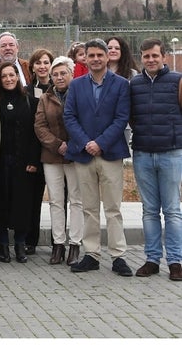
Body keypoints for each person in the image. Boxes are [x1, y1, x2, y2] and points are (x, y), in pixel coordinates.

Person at [64, 38, 133, 276]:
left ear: (106, 57)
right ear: (85, 58)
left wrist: (101, 143)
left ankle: (118, 256)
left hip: (110, 153)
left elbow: (121, 118)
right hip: (83, 154)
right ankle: (91, 254)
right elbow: (70, 117)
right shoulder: (76, 85)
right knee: (89, 208)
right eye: (90, 55)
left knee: (113, 208)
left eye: (99, 55)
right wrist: (86, 143)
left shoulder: (122, 84)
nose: (94, 59)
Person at [129, 38, 182, 281]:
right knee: (149, 210)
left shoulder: (177, 81)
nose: (150, 60)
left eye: (154, 56)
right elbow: (130, 116)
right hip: (142, 153)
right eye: (146, 56)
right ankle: (151, 259)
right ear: (141, 58)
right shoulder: (134, 84)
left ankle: (175, 261)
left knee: (172, 211)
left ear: (163, 56)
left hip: (170, 153)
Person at [0, 62, 40, 263]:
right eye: (4, 76)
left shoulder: (30, 102)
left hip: (23, 162)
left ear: (18, 77)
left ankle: (20, 244)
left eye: (12, 75)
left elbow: (36, 134)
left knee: (22, 203)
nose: (9, 79)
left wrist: (33, 160)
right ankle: (3, 245)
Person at [35, 56, 83, 265]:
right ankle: (58, 244)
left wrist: (71, 146)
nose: (59, 77)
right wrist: (57, 145)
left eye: (63, 73)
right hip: (52, 155)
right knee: (56, 201)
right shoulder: (45, 98)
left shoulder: (80, 95)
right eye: (55, 74)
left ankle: (75, 243)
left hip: (76, 154)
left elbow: (85, 122)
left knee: (76, 200)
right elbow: (40, 126)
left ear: (72, 74)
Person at [24, 47, 53, 254]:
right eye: (38, 63)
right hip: (34, 152)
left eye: (46, 62)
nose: (42, 66)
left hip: (55, 152)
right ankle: (30, 240)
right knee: (32, 199)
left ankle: (57, 241)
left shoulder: (59, 88)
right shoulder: (25, 91)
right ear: (32, 67)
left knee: (59, 199)